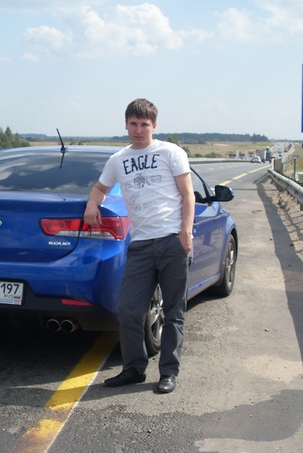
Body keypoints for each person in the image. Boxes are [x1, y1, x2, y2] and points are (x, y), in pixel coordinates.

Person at [84, 98, 195, 394]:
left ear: (154, 126)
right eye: (133, 123)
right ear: (125, 125)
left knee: (174, 311)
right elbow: (99, 187)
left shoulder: (171, 152)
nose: (138, 129)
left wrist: (186, 232)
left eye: (144, 124)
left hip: (172, 240)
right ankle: (133, 369)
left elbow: (188, 195)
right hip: (141, 244)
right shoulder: (118, 159)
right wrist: (92, 204)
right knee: (130, 310)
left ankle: (168, 372)